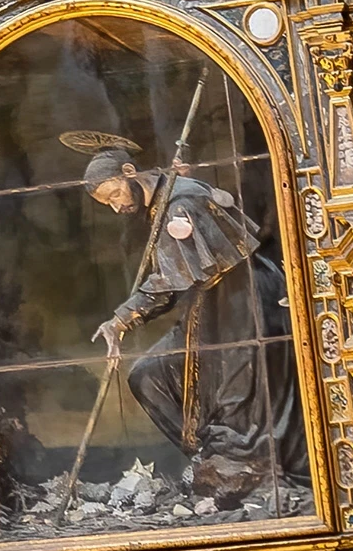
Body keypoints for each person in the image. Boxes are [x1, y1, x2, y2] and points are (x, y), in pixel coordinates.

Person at [86, 145, 293, 504]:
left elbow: (170, 282)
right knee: (148, 375)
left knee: (234, 398)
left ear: (130, 171)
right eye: (107, 204)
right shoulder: (165, 199)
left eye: (115, 194)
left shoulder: (180, 204)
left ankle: (240, 466)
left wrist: (121, 319)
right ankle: (209, 457)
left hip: (242, 305)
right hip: (211, 308)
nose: (117, 206)